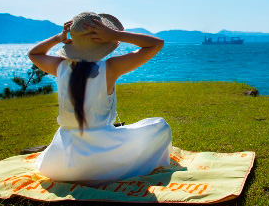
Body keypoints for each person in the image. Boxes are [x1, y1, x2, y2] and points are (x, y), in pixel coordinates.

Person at [28, 11, 171, 187]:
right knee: (160, 126)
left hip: (60, 163)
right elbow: (156, 44)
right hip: (101, 162)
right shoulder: (110, 68)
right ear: (104, 41)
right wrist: (117, 35)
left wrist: (59, 37)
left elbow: (34, 54)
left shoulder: (59, 67)